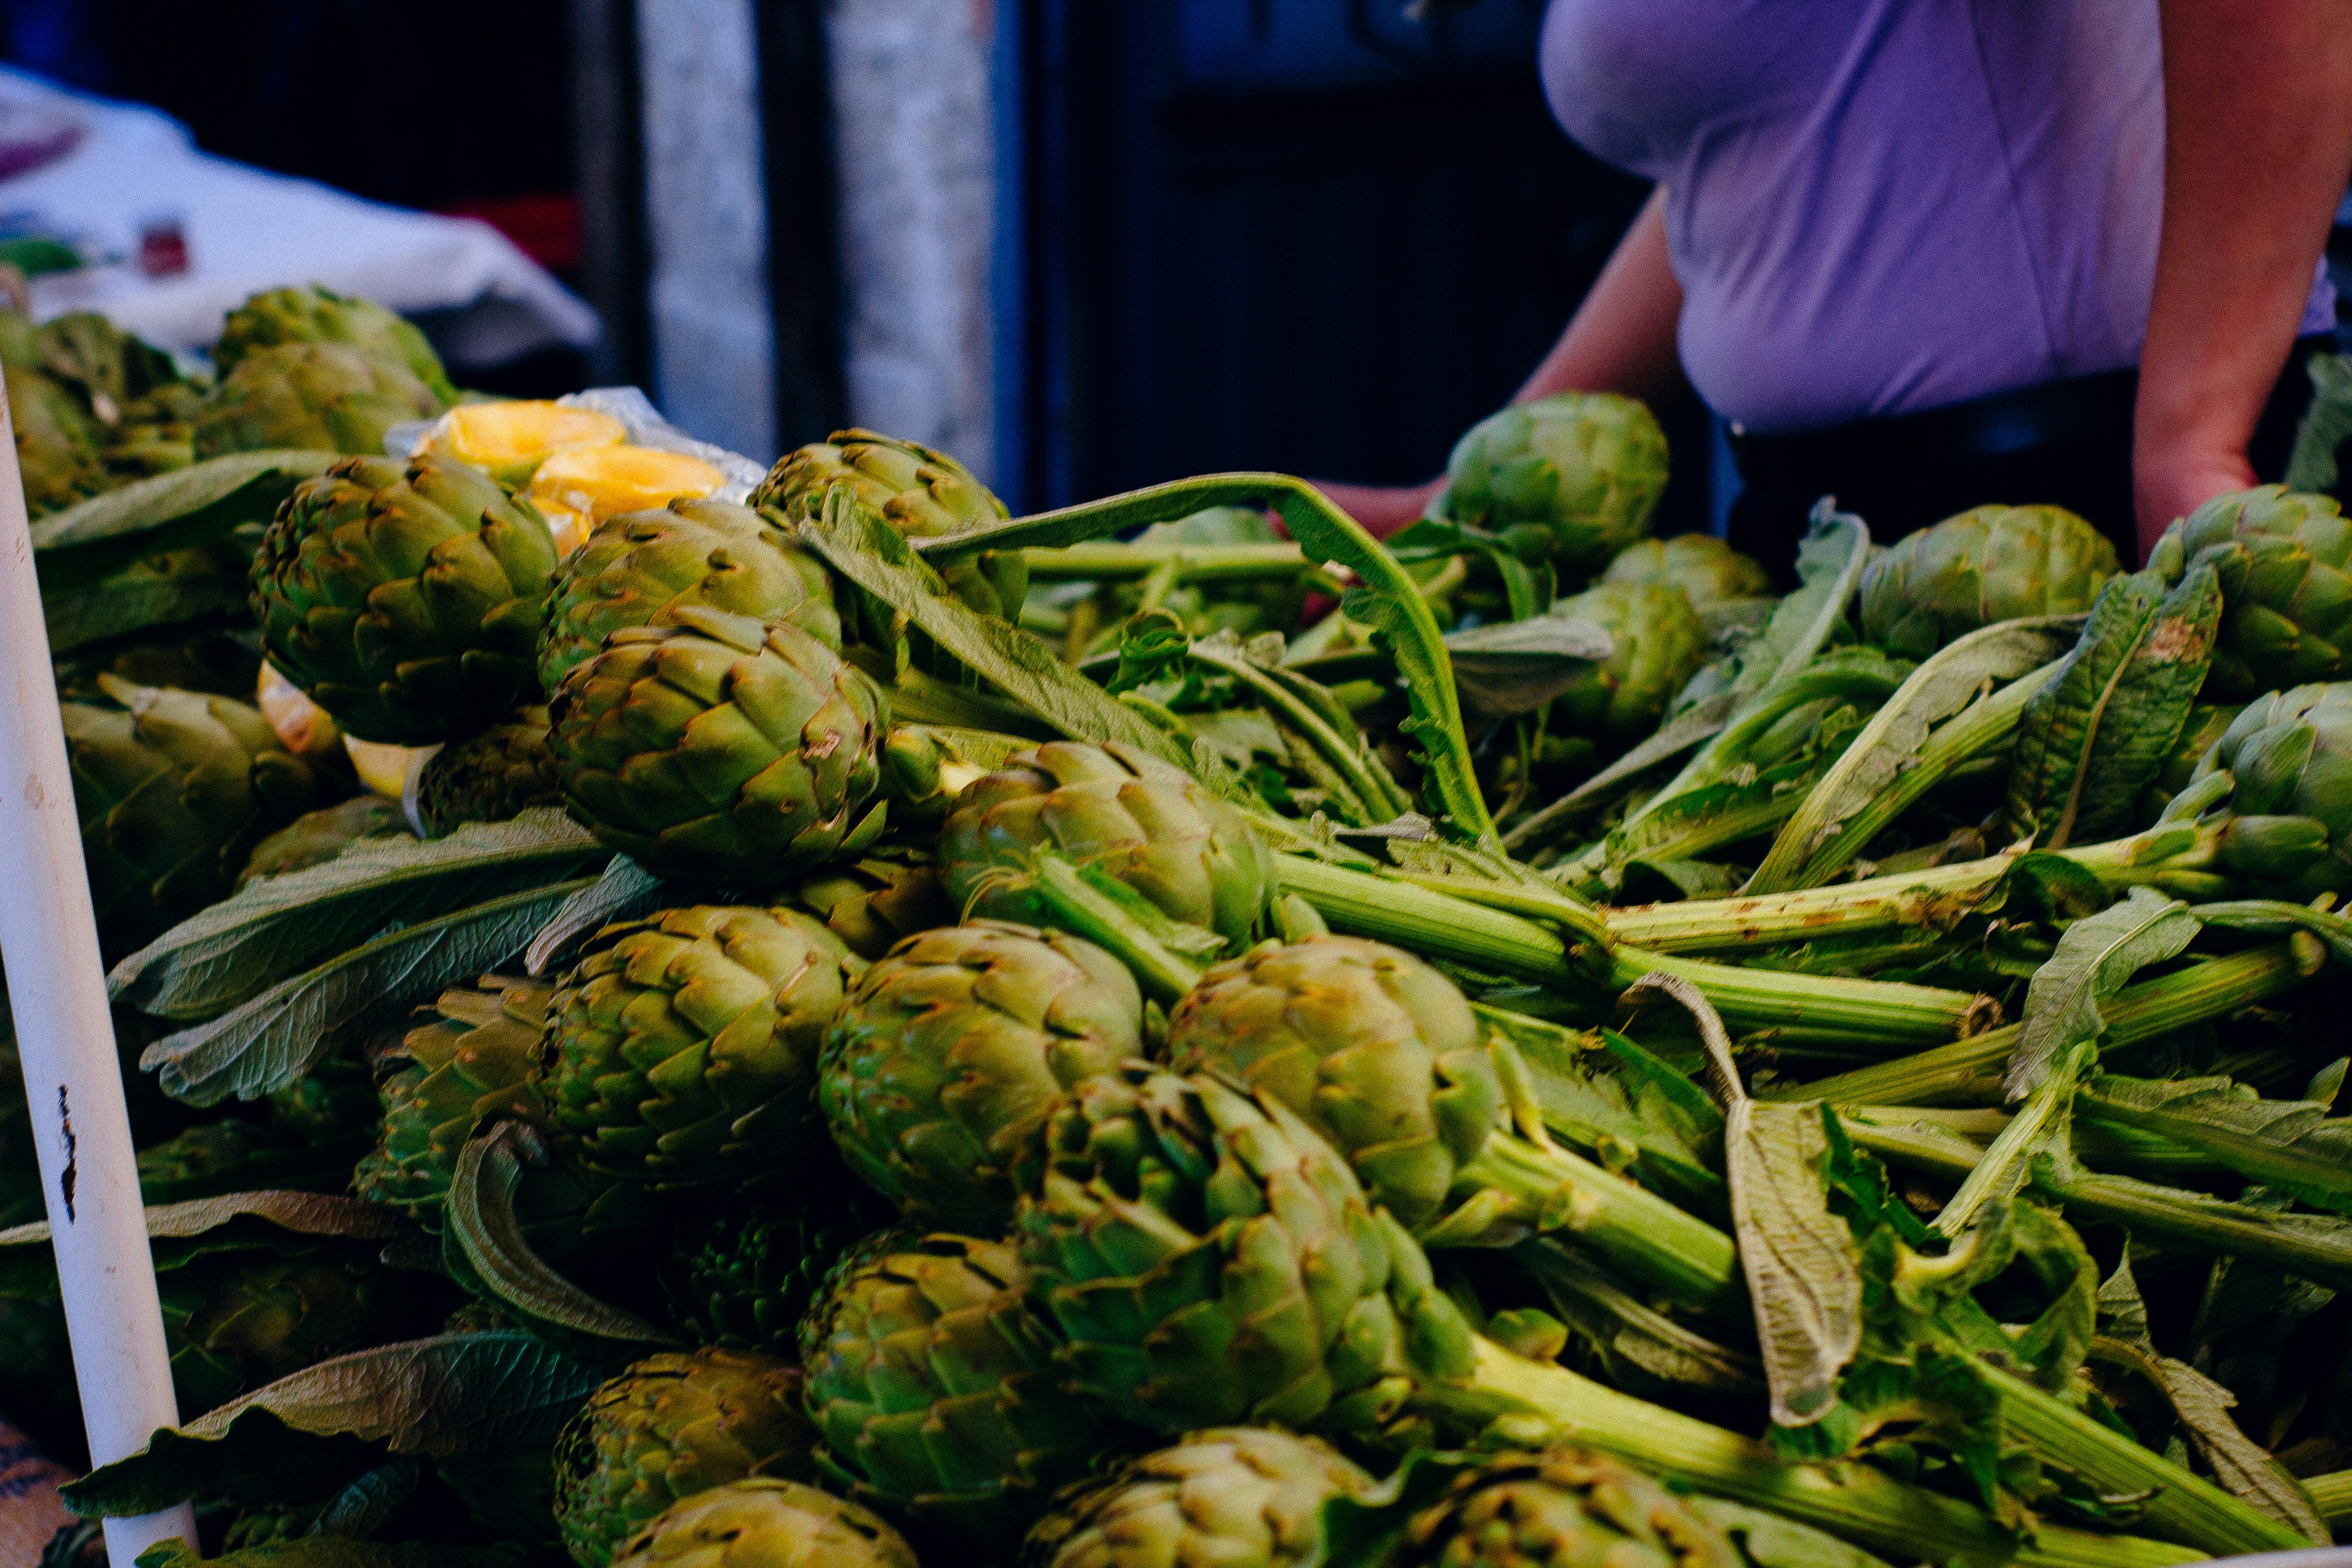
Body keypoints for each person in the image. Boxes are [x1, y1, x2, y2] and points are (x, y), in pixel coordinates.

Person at [1318, 0, 2352, 575]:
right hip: (1837, 540)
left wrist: (2195, 437)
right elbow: (1775, 176)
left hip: (2089, 517)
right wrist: (1475, 490)